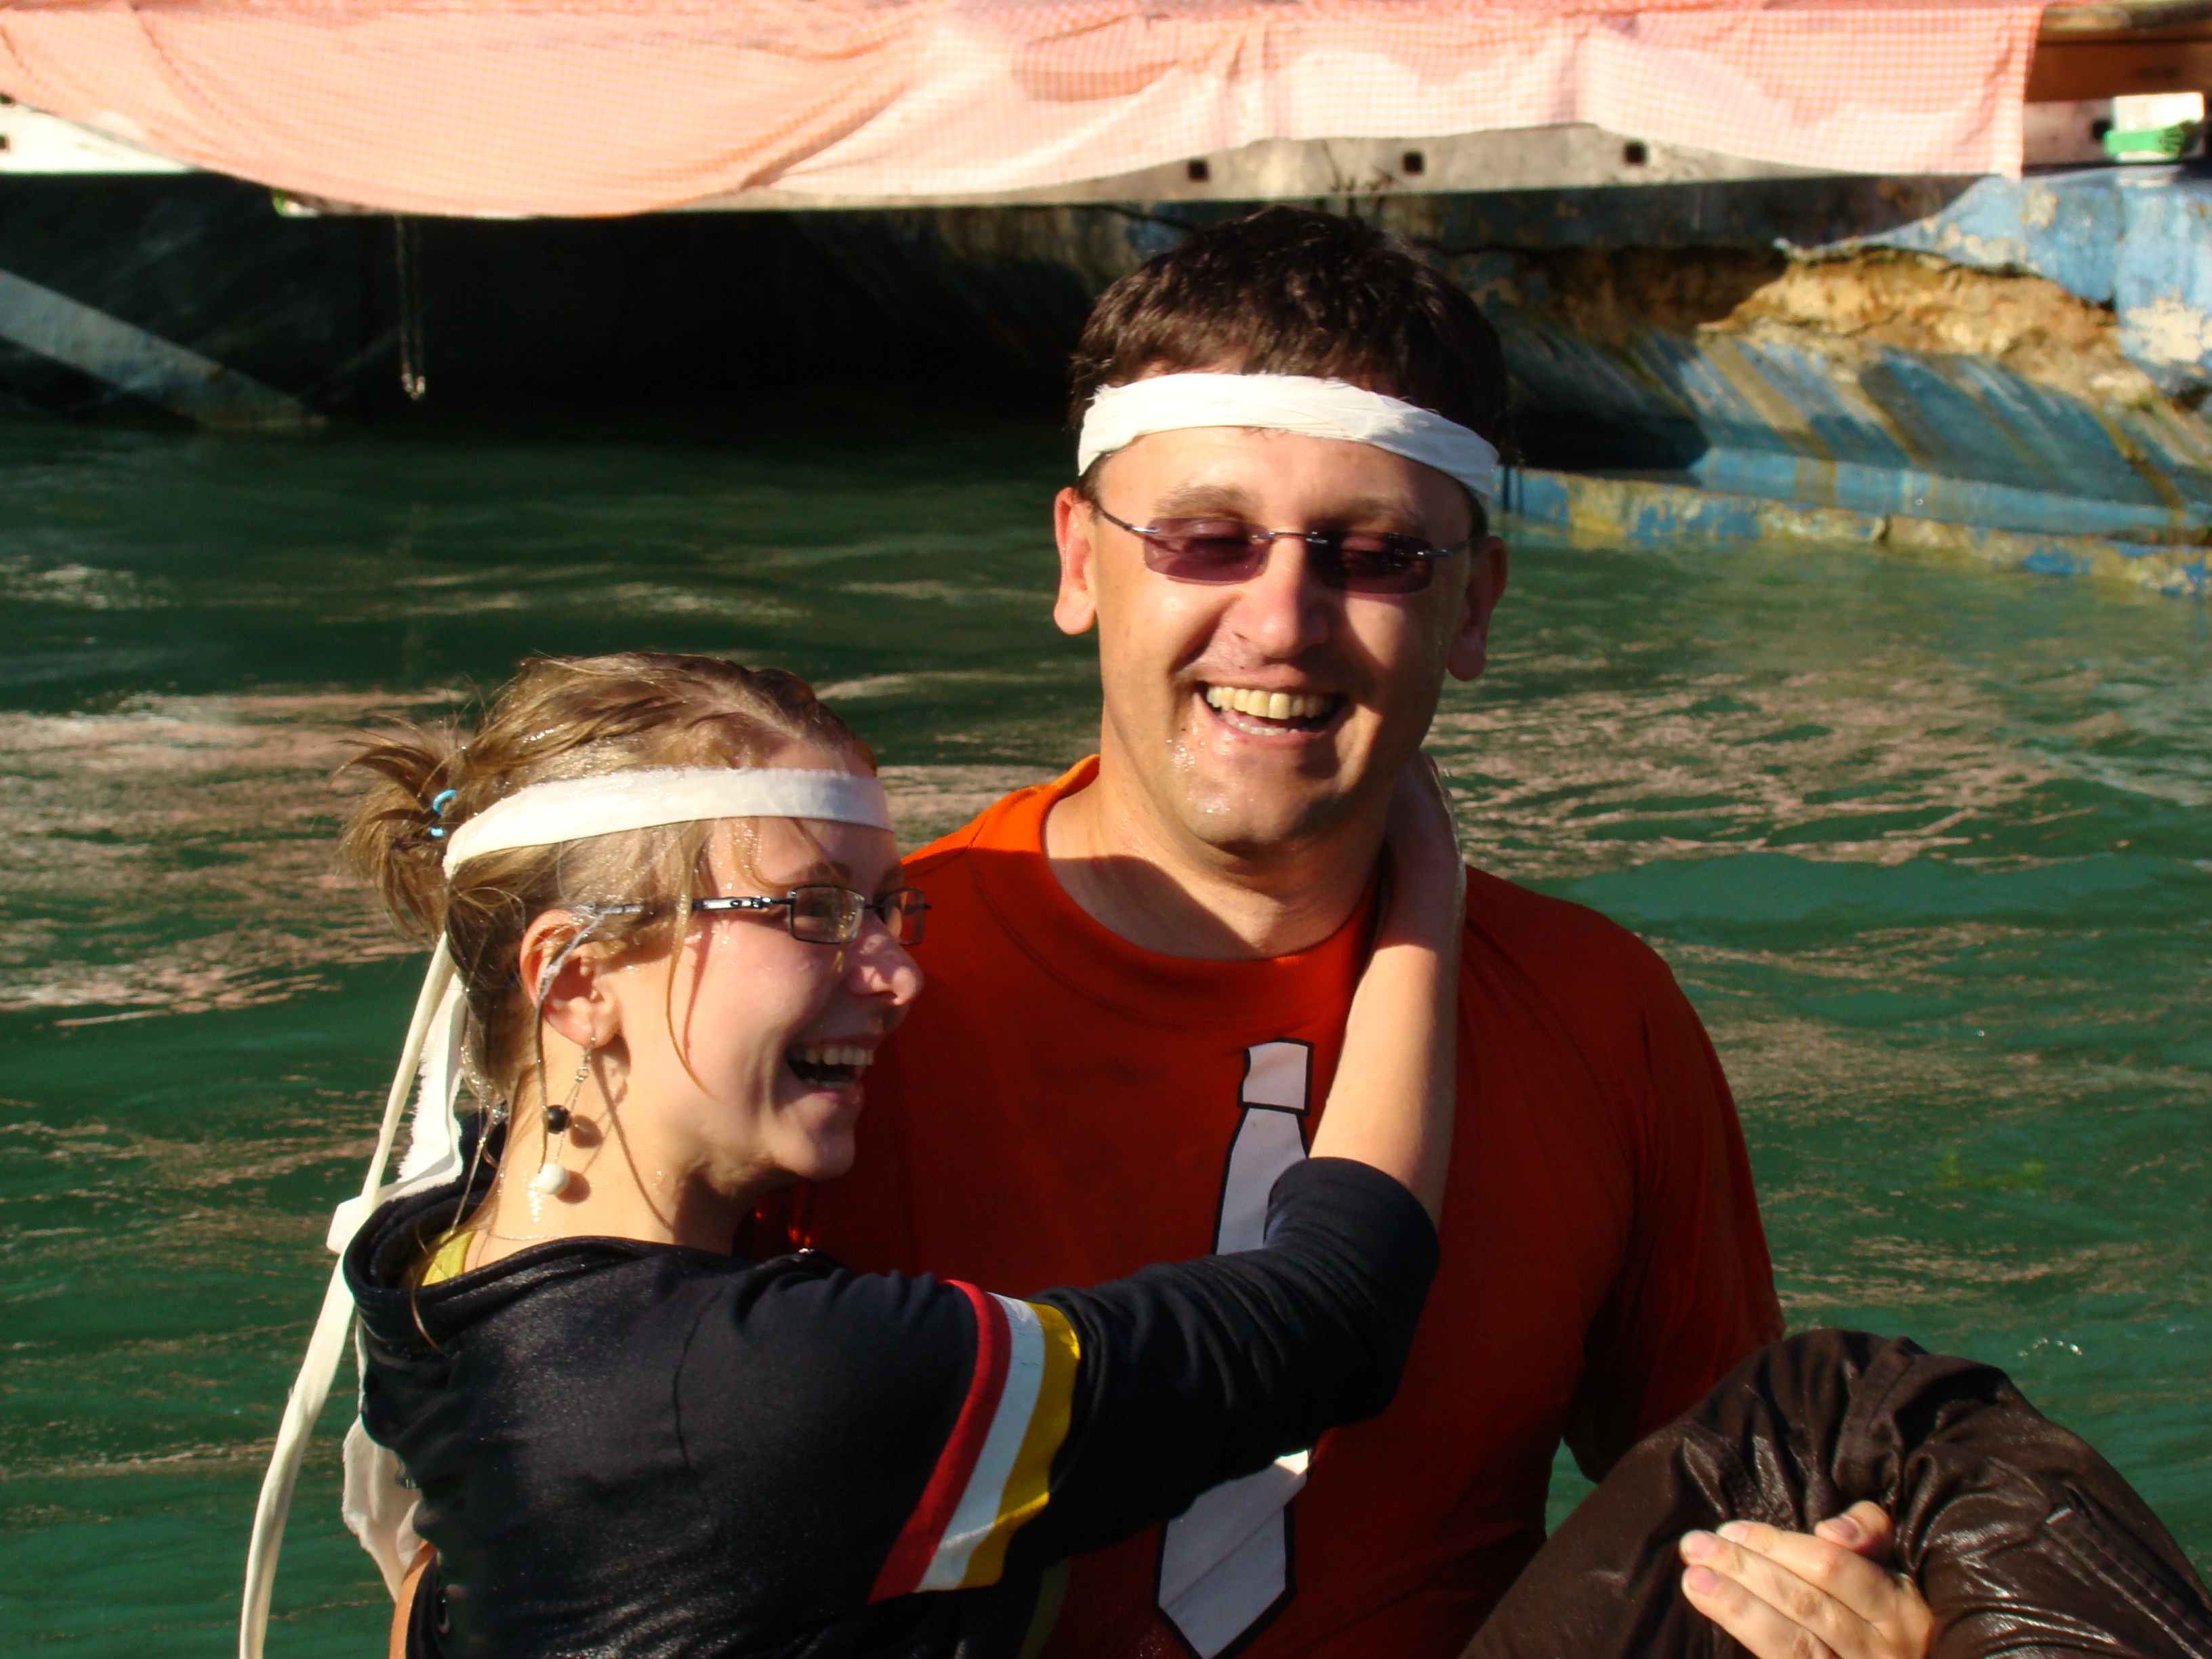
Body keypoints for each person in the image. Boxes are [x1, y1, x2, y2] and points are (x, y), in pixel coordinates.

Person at [762, 207, 2211, 1659]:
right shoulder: (844, 998)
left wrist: (1858, 1622)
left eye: (1376, 554)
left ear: (1475, 605)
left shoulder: (1597, 1011)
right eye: (1207, 540)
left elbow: (1736, 1493)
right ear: (1082, 562)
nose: (1283, 620)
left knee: (1897, 1429)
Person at [323, 650, 1470, 1659]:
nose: (901, 973)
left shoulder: (426, 1270)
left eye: (889, 908)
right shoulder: (773, 1386)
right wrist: (1426, 894)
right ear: (576, 978)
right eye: (813, 912)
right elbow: (1336, 1317)